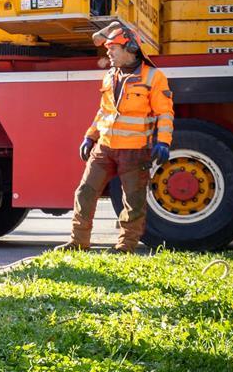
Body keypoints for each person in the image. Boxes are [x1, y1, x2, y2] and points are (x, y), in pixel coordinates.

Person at [57, 21, 173, 252]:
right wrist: (90, 137)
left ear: (130, 49)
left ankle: (125, 247)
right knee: (85, 191)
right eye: (107, 49)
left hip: (135, 150)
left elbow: (164, 112)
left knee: (133, 200)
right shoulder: (110, 76)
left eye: (113, 49)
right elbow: (104, 111)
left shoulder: (154, 77)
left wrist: (163, 142)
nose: (108, 52)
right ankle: (78, 242)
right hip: (105, 147)